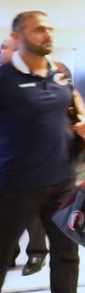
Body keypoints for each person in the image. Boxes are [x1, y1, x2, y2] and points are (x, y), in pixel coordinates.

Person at [0, 11, 82, 293]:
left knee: (67, 254)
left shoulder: (60, 74)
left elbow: (71, 102)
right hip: (15, 184)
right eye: (38, 29)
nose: (47, 34)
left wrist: (83, 119)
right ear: (17, 36)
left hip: (62, 181)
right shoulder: (4, 79)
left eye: (49, 29)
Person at [0, 35, 49, 276]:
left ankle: (37, 251)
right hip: (6, 154)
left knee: (31, 209)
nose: (1, 52)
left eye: (5, 47)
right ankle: (10, 253)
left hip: (32, 156)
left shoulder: (38, 74)